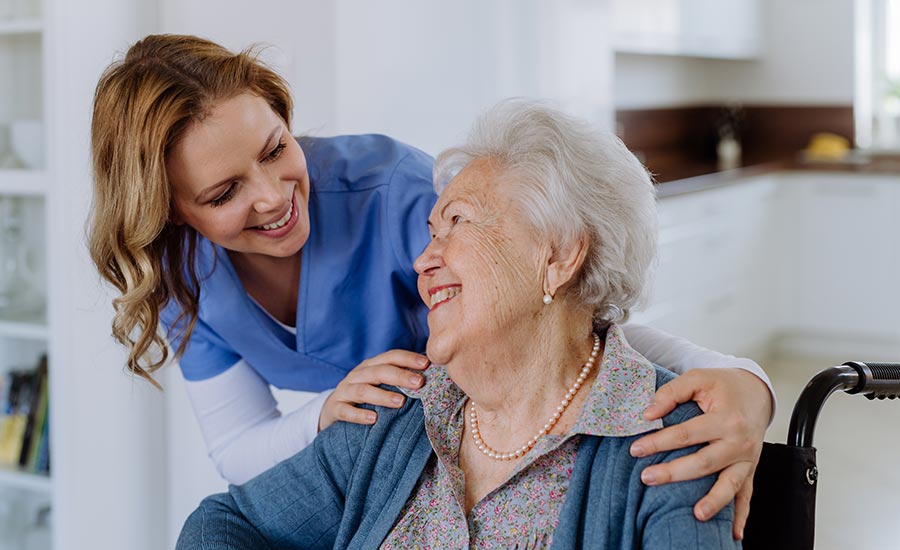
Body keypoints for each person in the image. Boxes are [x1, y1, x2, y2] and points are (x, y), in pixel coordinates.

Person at [88, 34, 772, 537]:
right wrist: (328, 414)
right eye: (224, 191)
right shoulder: (187, 277)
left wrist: (734, 376)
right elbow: (234, 476)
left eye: (275, 149)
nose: (272, 197)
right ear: (174, 211)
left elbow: (566, 312)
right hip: (405, 422)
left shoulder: (393, 193)